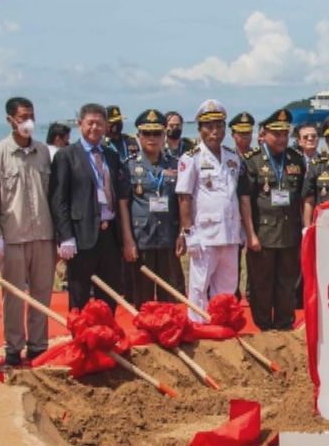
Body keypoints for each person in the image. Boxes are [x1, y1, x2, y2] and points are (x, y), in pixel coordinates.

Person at [0, 97, 57, 365]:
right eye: (22, 117)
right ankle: (13, 346)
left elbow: (52, 194)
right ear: (10, 120)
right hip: (13, 237)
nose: (28, 122)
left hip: (43, 234)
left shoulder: (43, 152)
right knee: (13, 296)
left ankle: (38, 345)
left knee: (42, 293)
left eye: (31, 116)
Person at [50, 103, 134, 310]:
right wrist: (65, 236)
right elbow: (58, 199)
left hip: (110, 236)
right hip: (81, 236)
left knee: (109, 294)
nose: (95, 128)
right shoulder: (66, 156)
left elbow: (120, 195)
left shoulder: (111, 156)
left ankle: (106, 338)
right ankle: (81, 340)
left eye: (100, 123)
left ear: (106, 126)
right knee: (79, 297)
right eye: (90, 123)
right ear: (80, 124)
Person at [176, 99, 249, 320]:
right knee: (199, 287)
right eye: (209, 126)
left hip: (230, 232)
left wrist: (243, 229)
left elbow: (234, 195)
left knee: (228, 285)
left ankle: (222, 326)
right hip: (204, 234)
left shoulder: (232, 157)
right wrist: (188, 232)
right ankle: (198, 328)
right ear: (200, 130)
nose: (214, 131)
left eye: (219, 126)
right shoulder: (192, 158)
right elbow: (184, 197)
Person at [241, 108, 307, 329]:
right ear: (264, 134)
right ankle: (263, 325)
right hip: (264, 233)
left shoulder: (296, 159)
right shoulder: (253, 161)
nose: (281, 139)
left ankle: (284, 323)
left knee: (287, 283)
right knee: (262, 283)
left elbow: (303, 197)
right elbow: (245, 202)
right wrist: (250, 235)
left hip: (289, 232)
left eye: (284, 134)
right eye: (276, 134)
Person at [123, 110, 184, 307]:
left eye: (157, 133)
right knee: (143, 298)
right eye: (146, 133)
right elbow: (123, 205)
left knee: (169, 296)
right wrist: (128, 240)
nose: (152, 138)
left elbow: (182, 200)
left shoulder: (176, 164)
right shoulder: (129, 166)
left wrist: (183, 233)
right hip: (142, 238)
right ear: (138, 136)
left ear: (164, 135)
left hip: (168, 236)